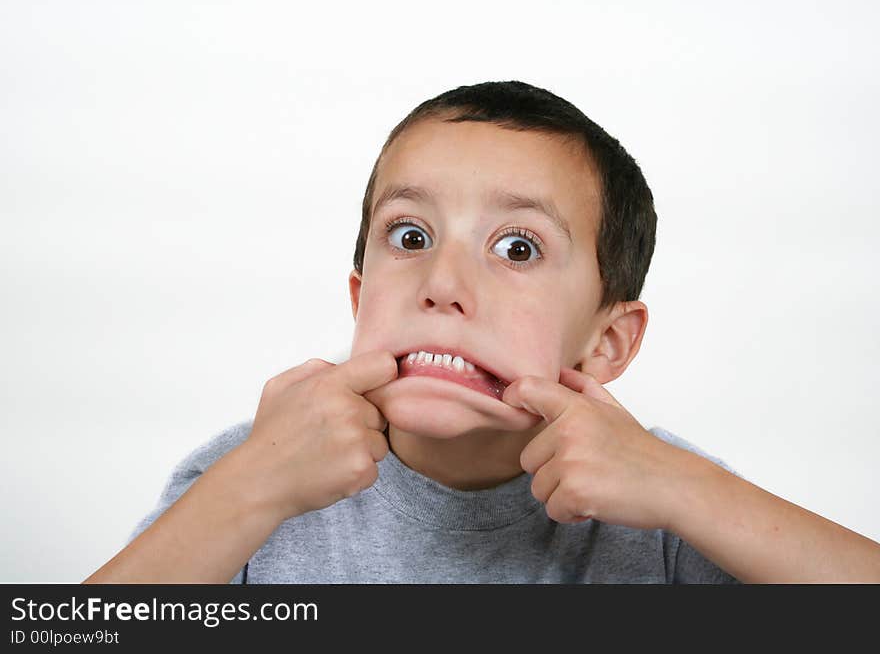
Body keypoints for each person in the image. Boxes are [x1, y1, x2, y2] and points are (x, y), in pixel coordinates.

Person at [84, 80, 880, 584]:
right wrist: (250, 486)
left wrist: (688, 488)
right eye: (409, 235)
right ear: (360, 297)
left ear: (607, 344)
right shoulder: (249, 477)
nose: (442, 285)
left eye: (518, 248)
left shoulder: (666, 510)